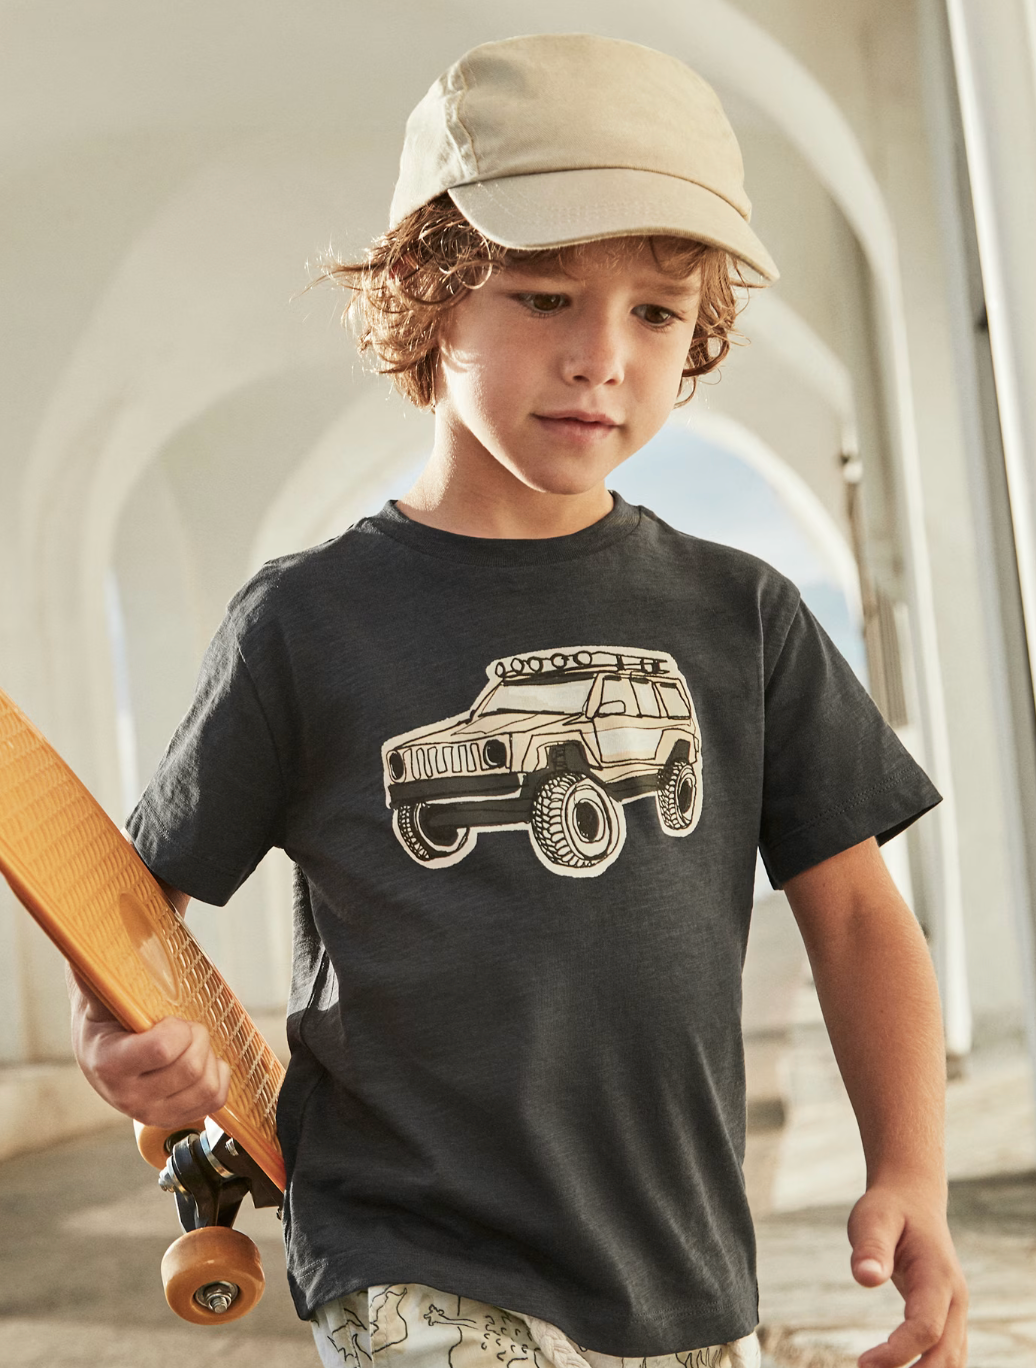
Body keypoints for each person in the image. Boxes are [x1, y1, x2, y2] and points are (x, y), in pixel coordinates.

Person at [67, 32, 967, 1368]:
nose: (603, 355)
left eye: (656, 314)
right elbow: (129, 914)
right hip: (409, 1257)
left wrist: (915, 1176)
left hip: (684, 1271)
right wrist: (121, 1044)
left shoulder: (742, 618)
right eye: (546, 296)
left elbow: (852, 918)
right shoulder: (307, 624)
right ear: (430, 294)